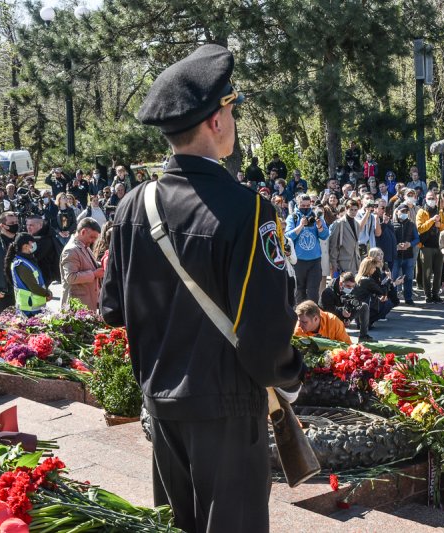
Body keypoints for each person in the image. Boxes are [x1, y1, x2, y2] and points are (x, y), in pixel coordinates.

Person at [100, 45, 303, 533]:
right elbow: (265, 334)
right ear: (215, 120)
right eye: (231, 109)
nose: (234, 120)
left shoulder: (132, 205)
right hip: (227, 409)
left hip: (163, 404)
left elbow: (112, 309)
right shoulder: (248, 211)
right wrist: (292, 373)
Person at [284, 194, 329, 303]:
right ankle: (300, 316)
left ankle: (312, 316)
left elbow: (325, 235)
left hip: (315, 261)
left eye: (308, 205)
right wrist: (300, 226)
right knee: (299, 291)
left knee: (313, 292)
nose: (305, 208)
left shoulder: (316, 216)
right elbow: (288, 236)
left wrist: (319, 226)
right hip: (298, 261)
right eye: (302, 205)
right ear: (297, 204)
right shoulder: (293, 217)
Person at [5, 232, 53, 317]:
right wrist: (47, 293)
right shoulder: (21, 264)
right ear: (25, 246)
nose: (35, 244)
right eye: (32, 242)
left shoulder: (28, 260)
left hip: (35, 308)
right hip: (29, 311)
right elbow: (33, 287)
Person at [60, 218, 103, 311]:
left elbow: (89, 264)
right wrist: (94, 274)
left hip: (86, 303)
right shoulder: (71, 250)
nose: (93, 241)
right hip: (77, 307)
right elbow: (71, 277)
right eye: (92, 237)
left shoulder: (83, 245)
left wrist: (102, 264)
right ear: (83, 232)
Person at [319, 271, 371, 342]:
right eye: (348, 286)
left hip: (345, 313)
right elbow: (327, 310)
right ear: (341, 284)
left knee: (364, 306)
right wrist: (341, 312)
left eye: (352, 286)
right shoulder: (328, 292)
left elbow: (354, 303)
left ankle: (363, 336)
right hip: (329, 318)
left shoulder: (353, 289)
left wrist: (348, 317)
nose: (350, 289)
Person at [416, 190, 444, 304]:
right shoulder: (421, 212)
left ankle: (436, 294)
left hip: (438, 246)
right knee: (427, 272)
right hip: (426, 246)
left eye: (433, 198)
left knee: (438, 272)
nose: (431, 200)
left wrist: (440, 225)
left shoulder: (440, 211)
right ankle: (427, 295)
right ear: (425, 199)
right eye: (429, 198)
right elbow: (420, 228)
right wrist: (432, 220)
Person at [328, 199, 363, 276]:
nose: (353, 212)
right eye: (351, 210)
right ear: (346, 209)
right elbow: (333, 244)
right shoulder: (339, 223)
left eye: (355, 210)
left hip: (355, 261)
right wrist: (333, 262)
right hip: (342, 261)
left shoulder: (356, 223)